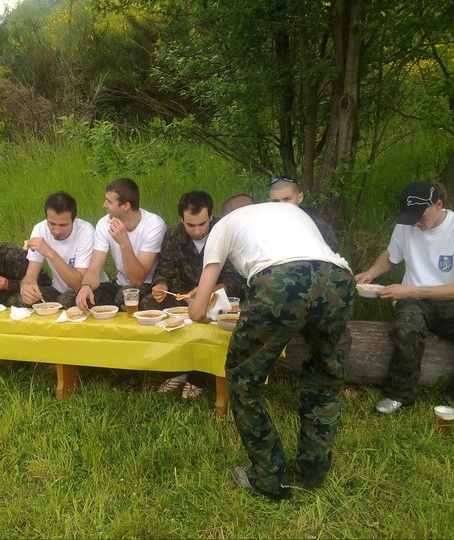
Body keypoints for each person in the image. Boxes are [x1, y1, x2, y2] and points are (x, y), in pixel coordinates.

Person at [189, 200, 355, 501]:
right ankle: (313, 469)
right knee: (326, 376)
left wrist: (197, 304)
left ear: (224, 214)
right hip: (338, 278)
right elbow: (313, 262)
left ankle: (268, 475)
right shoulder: (291, 211)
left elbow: (198, 312)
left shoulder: (223, 226)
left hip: (280, 280)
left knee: (244, 380)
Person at [356, 181, 454, 415]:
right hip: (414, 301)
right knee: (406, 328)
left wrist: (411, 290)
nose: (415, 223)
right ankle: (399, 394)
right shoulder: (406, 224)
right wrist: (371, 273)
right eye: (411, 217)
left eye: (421, 216)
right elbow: (391, 255)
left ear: (438, 204)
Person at [140, 191, 245, 398]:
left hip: (220, 293)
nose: (197, 231)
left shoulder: (225, 233)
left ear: (211, 216)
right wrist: (160, 285)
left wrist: (209, 291)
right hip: (186, 293)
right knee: (149, 303)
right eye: (190, 225)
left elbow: (236, 278)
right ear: (182, 220)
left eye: (202, 224)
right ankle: (177, 368)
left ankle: (200, 374)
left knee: (210, 313)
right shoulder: (174, 235)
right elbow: (164, 270)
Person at [75, 177, 166, 310]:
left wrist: (124, 243)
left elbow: (138, 279)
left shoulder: (154, 225)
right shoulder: (104, 223)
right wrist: (86, 286)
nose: (104, 205)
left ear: (126, 206)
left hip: (147, 286)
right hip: (119, 284)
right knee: (80, 299)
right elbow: (94, 270)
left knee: (124, 296)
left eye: (109, 202)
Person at [20, 191, 102, 308]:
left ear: (74, 219)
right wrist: (26, 287)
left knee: (65, 301)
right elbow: (30, 276)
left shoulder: (86, 232)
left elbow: (79, 284)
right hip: (57, 290)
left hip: (88, 290)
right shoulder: (39, 229)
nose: (57, 231)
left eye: (63, 225)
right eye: (52, 224)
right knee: (22, 301)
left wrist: (50, 253)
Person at [269, 174, 339, 252]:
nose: (281, 205)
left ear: (299, 198)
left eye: (287, 199)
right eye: (275, 201)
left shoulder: (316, 223)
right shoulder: (265, 224)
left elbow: (332, 252)